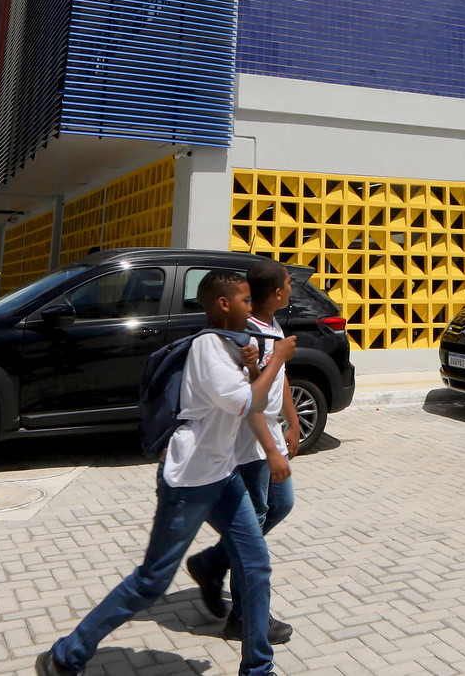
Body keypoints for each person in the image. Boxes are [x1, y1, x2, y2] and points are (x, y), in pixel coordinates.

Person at [40, 271, 287, 676]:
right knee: (153, 580)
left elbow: (247, 398)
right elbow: (245, 404)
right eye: (244, 300)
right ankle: (67, 653)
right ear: (223, 304)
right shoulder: (208, 346)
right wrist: (277, 360)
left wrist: (255, 364)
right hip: (190, 480)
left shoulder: (230, 345)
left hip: (223, 474)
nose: (250, 307)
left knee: (256, 565)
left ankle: (258, 668)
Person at [188, 259, 297, 646]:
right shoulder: (245, 334)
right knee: (253, 527)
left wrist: (292, 421)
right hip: (248, 444)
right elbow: (247, 397)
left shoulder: (272, 326)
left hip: (269, 436)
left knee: (280, 504)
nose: (292, 288)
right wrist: (270, 448)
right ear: (278, 292)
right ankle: (244, 617)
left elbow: (279, 380)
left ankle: (212, 562)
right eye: (289, 283)